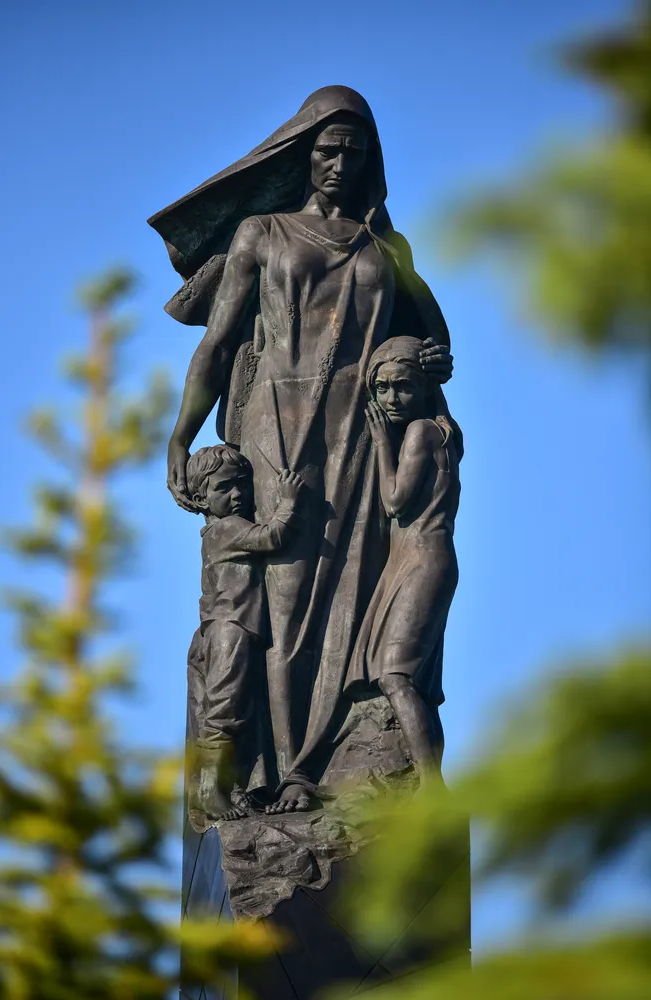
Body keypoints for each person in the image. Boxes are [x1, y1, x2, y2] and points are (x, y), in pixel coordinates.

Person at [150, 86, 457, 811]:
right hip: (274, 428)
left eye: (354, 153)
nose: (339, 164)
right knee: (283, 597)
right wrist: (181, 435)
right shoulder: (262, 232)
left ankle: (314, 767)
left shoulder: (386, 248)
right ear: (303, 156)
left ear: (370, 163)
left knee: (348, 589)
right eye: (326, 150)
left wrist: (431, 361)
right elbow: (217, 344)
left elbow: (434, 338)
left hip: (360, 432)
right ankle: (280, 764)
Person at [346, 337, 462, 781]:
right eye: (382, 388)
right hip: (417, 562)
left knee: (396, 677)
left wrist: (380, 442)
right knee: (416, 686)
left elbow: (394, 500)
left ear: (424, 389)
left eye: (403, 387)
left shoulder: (420, 432)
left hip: (421, 562)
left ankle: (431, 788)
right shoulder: (446, 429)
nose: (391, 398)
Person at [185, 444, 304, 820]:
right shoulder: (226, 529)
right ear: (201, 498)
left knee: (236, 708)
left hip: (232, 629)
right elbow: (271, 537)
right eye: (224, 488)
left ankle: (232, 787)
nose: (237, 494)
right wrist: (288, 501)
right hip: (231, 629)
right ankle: (210, 790)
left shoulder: (216, 531)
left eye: (241, 484)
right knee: (225, 709)